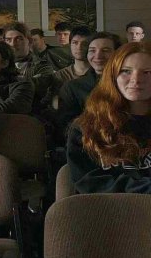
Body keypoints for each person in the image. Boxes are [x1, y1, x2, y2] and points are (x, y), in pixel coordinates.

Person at [67, 41, 151, 194]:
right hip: (108, 207)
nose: (136, 80)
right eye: (126, 71)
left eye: (147, 72)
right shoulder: (86, 127)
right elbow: (90, 183)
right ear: (113, 76)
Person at [56, 32, 121, 133]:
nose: (98, 56)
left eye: (105, 50)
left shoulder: (128, 85)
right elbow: (66, 127)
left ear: (117, 54)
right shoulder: (73, 87)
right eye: (92, 50)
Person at [3, 22, 55, 111]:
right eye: (8, 40)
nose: (12, 44)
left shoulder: (42, 66)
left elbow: (40, 95)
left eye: (18, 39)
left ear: (29, 41)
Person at [51, 26, 92, 96]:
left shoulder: (100, 73)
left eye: (85, 43)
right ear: (70, 45)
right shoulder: (60, 75)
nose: (79, 47)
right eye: (75, 43)